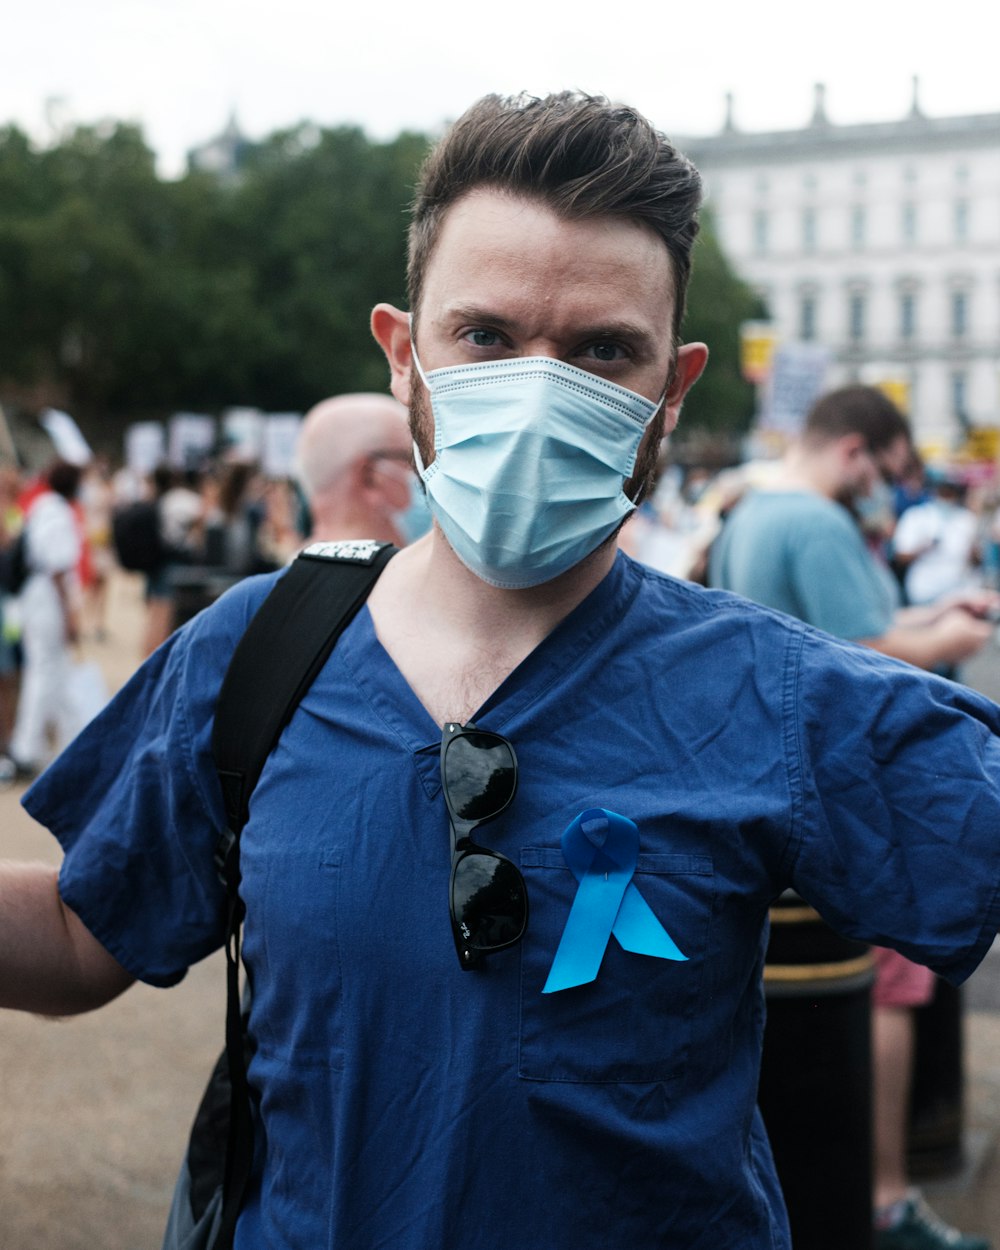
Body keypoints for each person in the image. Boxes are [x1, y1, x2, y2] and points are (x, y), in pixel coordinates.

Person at [3, 92, 1000, 1250]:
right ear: (402, 353)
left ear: (671, 389)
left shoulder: (774, 692)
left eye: (600, 350)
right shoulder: (257, 650)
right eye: (485, 335)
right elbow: (89, 933)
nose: (538, 390)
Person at [709, 384, 995, 1250]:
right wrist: (949, 640)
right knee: (894, 989)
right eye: (884, 466)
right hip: (845, 792)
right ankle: (886, 1196)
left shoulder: (754, 512)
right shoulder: (817, 521)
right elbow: (860, 653)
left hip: (770, 780)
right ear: (857, 452)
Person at [1, 459, 85, 780]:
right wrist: (70, 615)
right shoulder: (59, 513)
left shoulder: (41, 506)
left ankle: (69, 739)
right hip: (47, 600)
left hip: (33, 597)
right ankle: (26, 747)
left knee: (55, 670)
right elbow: (59, 569)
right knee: (44, 670)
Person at [294, 391, 419, 546]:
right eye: (413, 460)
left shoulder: (291, 570)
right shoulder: (402, 569)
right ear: (370, 476)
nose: (422, 474)